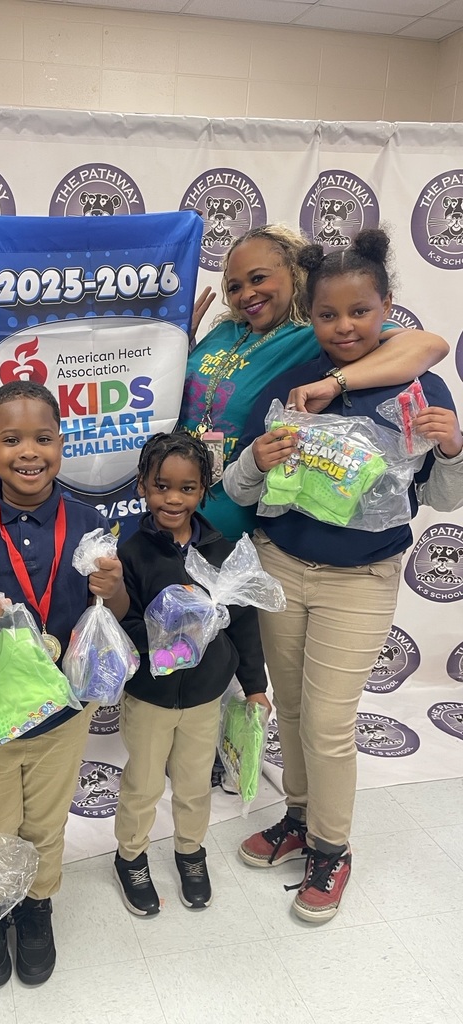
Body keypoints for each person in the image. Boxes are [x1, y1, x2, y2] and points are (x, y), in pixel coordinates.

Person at [222, 229, 463, 922]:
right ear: (311, 314)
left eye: (360, 311)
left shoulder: (421, 385)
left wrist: (450, 447)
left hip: (361, 580)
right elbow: (240, 491)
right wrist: (257, 462)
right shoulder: (286, 386)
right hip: (281, 567)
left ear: (387, 306)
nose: (345, 326)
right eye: (329, 315)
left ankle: (332, 848)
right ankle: (299, 818)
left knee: (328, 723)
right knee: (292, 712)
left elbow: (444, 500)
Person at [0, 380, 129, 987]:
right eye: (12, 439)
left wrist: (112, 588)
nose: (29, 452)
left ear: (61, 446)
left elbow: (114, 612)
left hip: (61, 715)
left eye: (43, 438)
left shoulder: (91, 522)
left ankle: (37, 908)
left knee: (44, 821)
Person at [180, 224, 450, 543]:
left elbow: (427, 345)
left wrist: (335, 383)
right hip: (177, 509)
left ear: (294, 273)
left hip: (233, 527)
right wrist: (179, 344)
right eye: (234, 286)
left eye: (258, 278)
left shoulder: (317, 330)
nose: (246, 294)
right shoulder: (225, 331)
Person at [112, 431, 270, 916]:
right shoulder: (130, 553)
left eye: (187, 488)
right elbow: (123, 624)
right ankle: (130, 855)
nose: (173, 498)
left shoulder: (223, 550)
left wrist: (256, 686)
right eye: (162, 486)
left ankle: (189, 850)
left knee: (195, 781)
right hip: (149, 697)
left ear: (204, 490)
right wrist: (172, 635)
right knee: (142, 782)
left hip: (204, 697)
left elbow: (243, 622)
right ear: (142, 486)